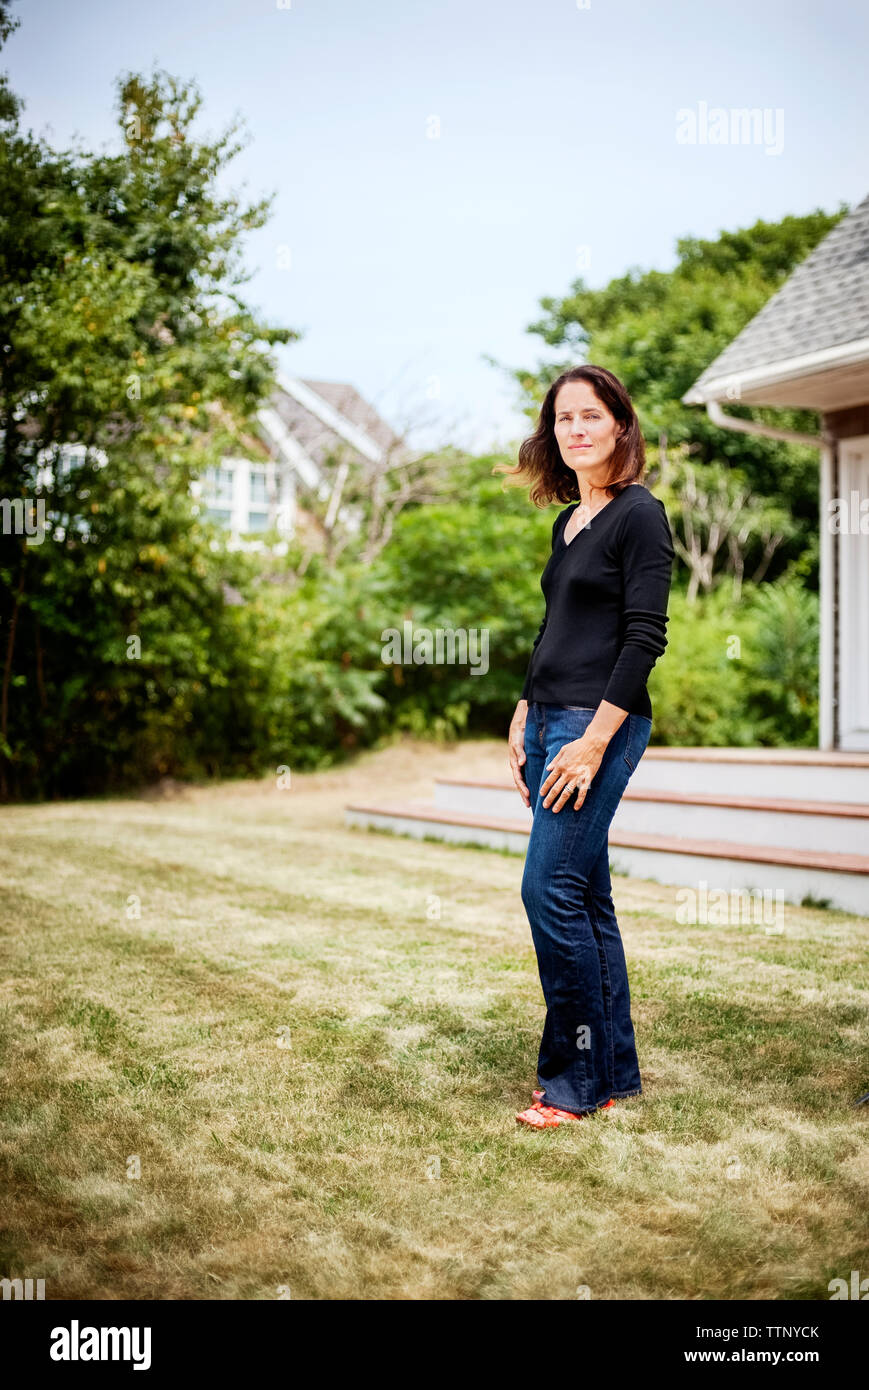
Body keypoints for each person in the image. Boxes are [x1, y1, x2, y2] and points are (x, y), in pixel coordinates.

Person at [498, 364, 674, 1130]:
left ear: (619, 427)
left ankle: (572, 1084)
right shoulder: (567, 522)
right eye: (563, 419)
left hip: (597, 725)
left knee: (549, 892)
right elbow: (555, 630)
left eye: (590, 416)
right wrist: (522, 711)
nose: (575, 430)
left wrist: (591, 742)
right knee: (587, 898)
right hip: (546, 721)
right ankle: (614, 1071)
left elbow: (643, 639)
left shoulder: (641, 515)